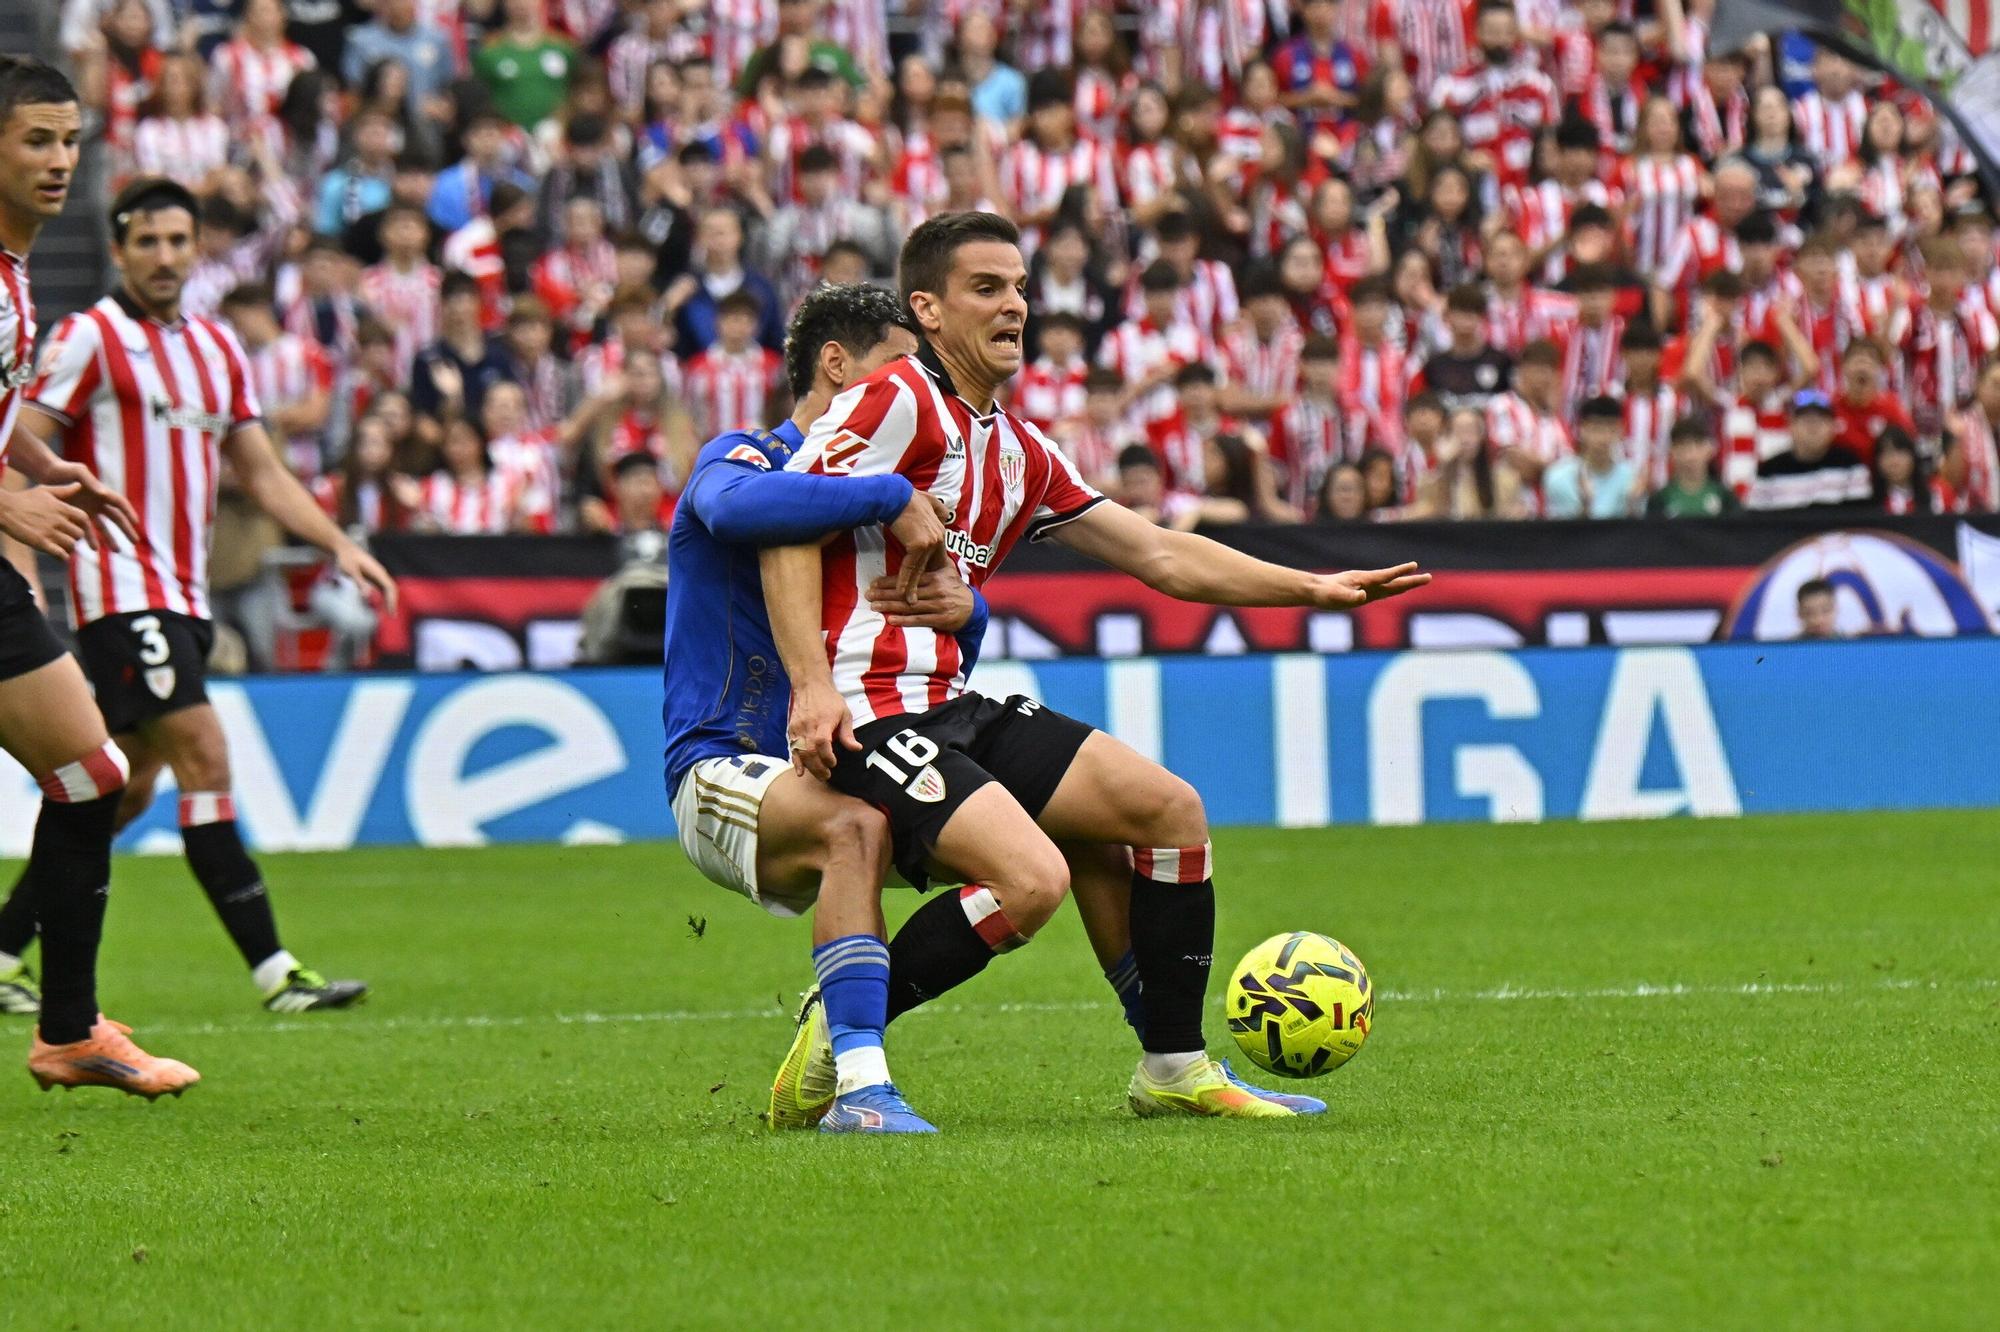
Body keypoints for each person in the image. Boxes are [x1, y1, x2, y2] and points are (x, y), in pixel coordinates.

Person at [761, 213, 1428, 1130]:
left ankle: (1174, 1065)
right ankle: (842, 1027)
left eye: (1022, 288)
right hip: (871, 714)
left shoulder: (1020, 449)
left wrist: (1312, 588)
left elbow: (1161, 555)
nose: (1014, 307)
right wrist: (811, 684)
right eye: (986, 288)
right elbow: (784, 517)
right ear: (928, 308)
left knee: (1169, 812)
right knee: (1034, 880)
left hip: (949, 703)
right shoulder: (896, 400)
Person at [0, 176, 396, 1015]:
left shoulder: (218, 349)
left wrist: (336, 543)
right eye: (147, 241)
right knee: (206, 753)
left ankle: (3, 951)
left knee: (125, 784)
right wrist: (22, 568)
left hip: (185, 592)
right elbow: (14, 444)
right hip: (118, 586)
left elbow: (260, 470)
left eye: (179, 240)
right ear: (118, 249)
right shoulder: (87, 338)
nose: (166, 256)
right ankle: (275, 972)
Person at [661, 283, 969, 1131]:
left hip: (846, 753)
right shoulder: (749, 457)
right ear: (836, 364)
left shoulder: (888, 501)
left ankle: (1172, 1059)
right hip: (720, 762)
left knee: (1030, 855)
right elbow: (731, 510)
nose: (919, 391)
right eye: (901, 366)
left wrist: (964, 611)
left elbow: (934, 646)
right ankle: (864, 1089)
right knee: (855, 832)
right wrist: (885, 497)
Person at [0, 55, 200, 1097]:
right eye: (36, 139)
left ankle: (68, 1031)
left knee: (90, 774)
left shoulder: (14, 275)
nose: (60, 161)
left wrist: (40, 462)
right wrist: (8, 502)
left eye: (69, 140)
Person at [1646, 418, 1740, 518]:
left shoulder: (1725, 498)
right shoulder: (1660, 500)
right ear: (1672, 452)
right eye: (1683, 447)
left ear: (1710, 449)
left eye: (1698, 446)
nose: (1690, 456)